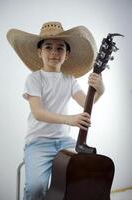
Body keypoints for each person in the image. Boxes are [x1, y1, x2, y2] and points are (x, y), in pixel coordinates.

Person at [7, 21, 105, 200]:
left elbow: (86, 104)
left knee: (81, 176)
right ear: (40, 52)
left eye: (60, 48)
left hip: (64, 141)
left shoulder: (69, 80)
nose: (54, 52)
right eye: (48, 47)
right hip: (38, 143)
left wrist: (101, 90)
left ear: (67, 54)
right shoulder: (34, 79)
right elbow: (38, 112)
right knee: (36, 187)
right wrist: (69, 120)